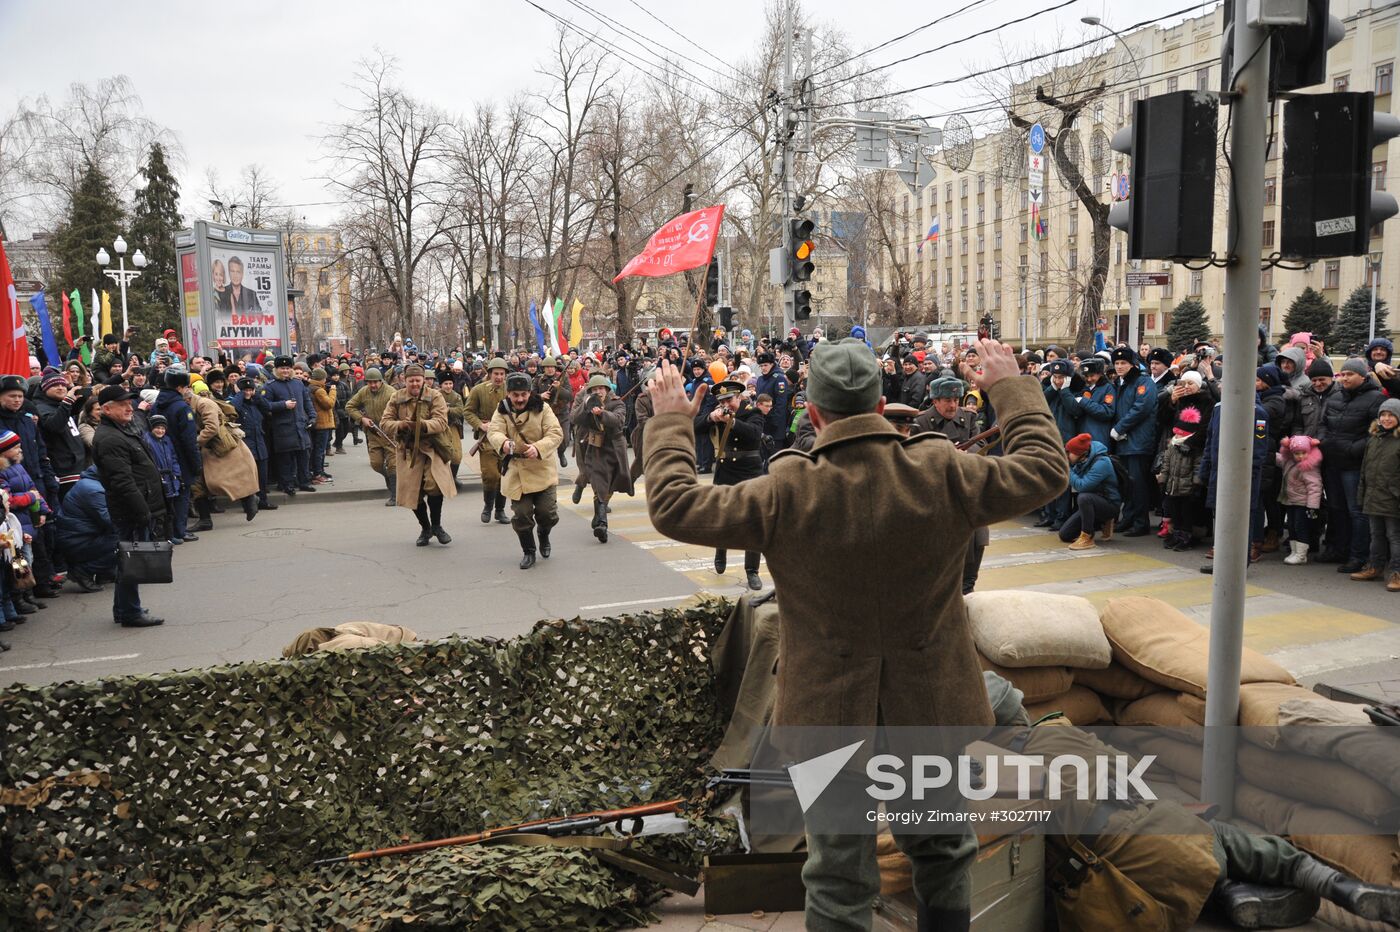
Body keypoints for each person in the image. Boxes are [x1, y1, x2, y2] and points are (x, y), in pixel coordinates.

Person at [642, 338, 1067, 930]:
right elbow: (1046, 470)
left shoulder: (787, 490)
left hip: (824, 719)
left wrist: (669, 424)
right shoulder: (942, 472)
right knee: (943, 854)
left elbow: (673, 504)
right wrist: (1009, 387)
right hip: (932, 711)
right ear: (880, 402)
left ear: (812, 413)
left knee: (838, 876)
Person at [90, 384, 166, 627]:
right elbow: (122, 481)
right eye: (122, 404)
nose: (129, 407)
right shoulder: (110, 438)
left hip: (136, 506)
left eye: (129, 403)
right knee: (130, 561)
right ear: (106, 409)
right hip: (131, 509)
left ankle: (123, 609)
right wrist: (142, 510)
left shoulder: (121, 430)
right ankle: (130, 612)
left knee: (127, 559)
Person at [487, 372, 564, 569]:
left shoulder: (543, 408)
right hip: (516, 469)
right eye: (515, 395)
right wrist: (502, 443)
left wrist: (538, 448)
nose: (520, 399)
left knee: (548, 514)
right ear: (508, 394)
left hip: (541, 467)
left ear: (529, 393)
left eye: (523, 394)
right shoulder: (502, 410)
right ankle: (528, 551)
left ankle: (543, 534)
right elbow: (493, 431)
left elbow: (555, 433)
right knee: (521, 515)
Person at [694, 379, 766, 589]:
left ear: (740, 397)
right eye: (723, 400)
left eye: (730, 400)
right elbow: (694, 426)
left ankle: (752, 570)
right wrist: (710, 417)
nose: (726, 404)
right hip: (726, 471)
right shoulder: (718, 412)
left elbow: (754, 435)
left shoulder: (753, 412)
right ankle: (721, 550)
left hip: (750, 471)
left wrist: (731, 422)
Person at [380, 365, 456, 546]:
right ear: (404, 381)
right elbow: (385, 423)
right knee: (412, 492)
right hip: (407, 451)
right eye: (411, 380)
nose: (414, 383)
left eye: (418, 380)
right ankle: (425, 528)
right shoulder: (396, 398)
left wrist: (421, 426)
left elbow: (441, 422)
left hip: (431, 448)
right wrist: (402, 425)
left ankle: (437, 526)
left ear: (424, 380)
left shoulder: (435, 396)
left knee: (435, 485)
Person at [572, 374, 632, 544]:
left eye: (601, 388)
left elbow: (618, 420)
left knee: (612, 483)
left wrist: (602, 413)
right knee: (599, 482)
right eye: (594, 389)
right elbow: (574, 419)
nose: (598, 392)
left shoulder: (617, 403)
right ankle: (602, 524)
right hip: (596, 448)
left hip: (614, 448)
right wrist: (586, 408)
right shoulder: (587, 403)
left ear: (607, 389)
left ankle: (599, 514)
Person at [1108, 346, 1158, 537]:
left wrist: (1120, 428)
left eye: (1123, 363)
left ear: (1132, 364)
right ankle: (1128, 518)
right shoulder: (1121, 383)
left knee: (1138, 484)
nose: (1119, 367)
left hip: (1138, 441)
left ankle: (1140, 522)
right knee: (1127, 483)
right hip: (1124, 441)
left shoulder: (1142, 382)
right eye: (1117, 363)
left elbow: (1141, 408)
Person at [1352, 397, 1400, 590]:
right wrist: (1362, 495)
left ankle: (1397, 572)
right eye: (1383, 415)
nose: (1386, 419)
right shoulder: (1374, 439)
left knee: (1394, 536)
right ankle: (1375, 566)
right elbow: (1365, 470)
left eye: (1391, 415)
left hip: (1393, 498)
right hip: (1374, 497)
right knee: (1376, 535)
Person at [154, 371, 203, 538]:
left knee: (168, 495)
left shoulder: (156, 404)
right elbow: (189, 441)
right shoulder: (182, 408)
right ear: (180, 387)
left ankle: (170, 531)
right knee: (182, 495)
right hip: (180, 458)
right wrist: (196, 465)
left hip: (160, 456)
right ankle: (180, 531)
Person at [54, 464, 117, 592]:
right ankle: (83, 571)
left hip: (79, 537)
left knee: (118, 535)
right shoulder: (93, 489)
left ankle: (104, 573)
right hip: (77, 541)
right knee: (122, 541)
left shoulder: (91, 483)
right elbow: (109, 520)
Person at [261, 356, 316, 496]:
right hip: (283, 429)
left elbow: (307, 401)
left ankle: (304, 482)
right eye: (282, 368)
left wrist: (312, 416)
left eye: (288, 368)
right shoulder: (270, 386)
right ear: (276, 369)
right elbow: (265, 406)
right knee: (285, 460)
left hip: (300, 427)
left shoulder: (298, 384)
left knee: (304, 456)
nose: (285, 371)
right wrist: (283, 405)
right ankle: (287, 484)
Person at [465, 358, 510, 524]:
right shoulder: (478, 390)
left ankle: (500, 510)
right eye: (496, 373)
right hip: (487, 440)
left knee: (504, 475)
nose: (499, 377)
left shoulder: (510, 390)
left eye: (502, 374)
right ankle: (488, 507)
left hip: (507, 438)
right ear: (489, 374)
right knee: (491, 475)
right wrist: (480, 425)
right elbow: (468, 412)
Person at [1059, 432, 1122, 550]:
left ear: (1080, 453)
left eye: (1069, 453)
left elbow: (1082, 486)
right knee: (1065, 535)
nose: (1066, 456)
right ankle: (1101, 523)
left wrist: (1067, 468)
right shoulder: (1081, 460)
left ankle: (1087, 536)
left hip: (1110, 504)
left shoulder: (1101, 463)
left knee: (1084, 496)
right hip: (1092, 504)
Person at [346, 368, 397, 506]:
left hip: (390, 433)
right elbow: (350, 406)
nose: (373, 385)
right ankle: (389, 478)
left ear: (381, 381)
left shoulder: (391, 392)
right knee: (376, 464)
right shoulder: (363, 392)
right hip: (373, 433)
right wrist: (361, 418)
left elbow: (401, 409)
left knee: (393, 465)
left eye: (375, 382)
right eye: (370, 382)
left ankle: (395, 494)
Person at [230, 377, 276, 511]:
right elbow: (234, 408)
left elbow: (268, 407)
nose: (248, 393)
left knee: (262, 476)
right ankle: (249, 505)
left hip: (259, 443)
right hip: (246, 444)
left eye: (250, 390)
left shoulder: (255, 403)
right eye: (246, 390)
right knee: (248, 476)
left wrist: (256, 395)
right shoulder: (236, 402)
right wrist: (239, 393)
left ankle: (263, 501)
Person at [1277, 434, 1324, 566]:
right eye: (1297, 453)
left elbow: (1315, 487)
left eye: (1303, 453)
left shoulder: (1308, 467)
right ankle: (1294, 551)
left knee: (1300, 527)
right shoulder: (1290, 461)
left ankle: (1301, 554)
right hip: (1291, 501)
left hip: (1303, 504)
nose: (1300, 456)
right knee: (1292, 526)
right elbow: (1280, 459)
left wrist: (1312, 507)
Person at [142, 415, 184, 545]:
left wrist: (176, 474)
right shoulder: (147, 441)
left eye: (162, 428)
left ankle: (169, 536)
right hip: (158, 479)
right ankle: (160, 538)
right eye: (157, 428)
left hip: (170, 479)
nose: (160, 431)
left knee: (170, 510)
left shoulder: (167, 440)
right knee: (159, 512)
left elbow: (173, 457)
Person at [535, 357, 574, 467]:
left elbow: (570, 396)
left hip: (562, 414)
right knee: (544, 439)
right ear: (543, 368)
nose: (550, 369)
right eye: (547, 367)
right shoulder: (538, 380)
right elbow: (530, 396)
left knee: (565, 439)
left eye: (552, 367)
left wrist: (559, 388)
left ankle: (561, 453)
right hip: (545, 414)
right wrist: (540, 396)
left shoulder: (563, 378)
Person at [309, 368, 337, 483]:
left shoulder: (311, 387)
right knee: (320, 450)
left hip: (317, 423)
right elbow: (329, 404)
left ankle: (320, 470)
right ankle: (318, 472)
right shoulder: (319, 390)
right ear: (322, 378)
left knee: (317, 449)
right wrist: (333, 391)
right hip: (322, 424)